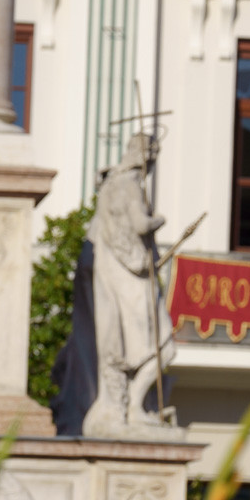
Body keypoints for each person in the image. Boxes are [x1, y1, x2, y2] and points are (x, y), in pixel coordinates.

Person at [81, 132, 179, 439]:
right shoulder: (131, 186)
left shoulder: (110, 185)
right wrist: (158, 220)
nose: (153, 162)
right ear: (144, 156)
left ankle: (132, 408)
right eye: (152, 156)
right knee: (163, 348)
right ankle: (135, 408)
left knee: (133, 344)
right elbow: (140, 224)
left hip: (113, 275)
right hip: (133, 279)